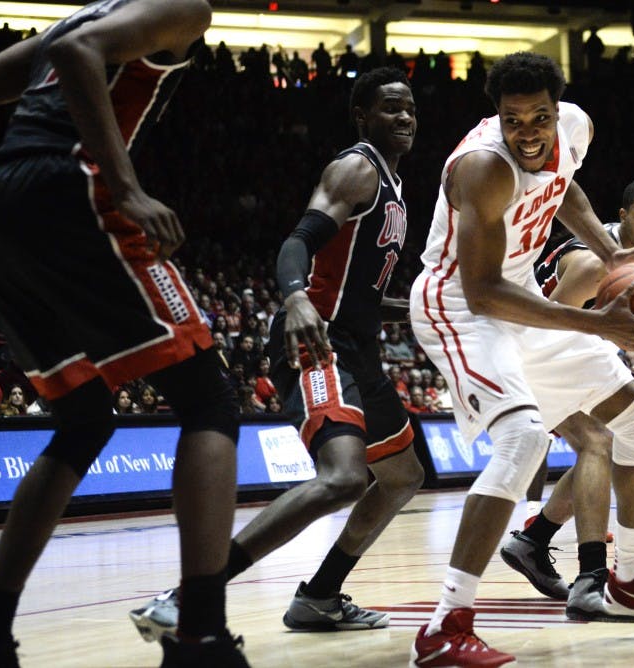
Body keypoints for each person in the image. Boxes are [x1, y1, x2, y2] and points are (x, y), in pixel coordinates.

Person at [0, 1, 248, 665]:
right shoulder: (183, 7)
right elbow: (81, 59)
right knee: (208, 400)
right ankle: (201, 633)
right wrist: (125, 188)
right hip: (71, 190)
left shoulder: (78, 17)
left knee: (82, 420)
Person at [407, 53, 634, 666]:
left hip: (520, 302)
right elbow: (483, 291)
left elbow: (563, 184)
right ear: (497, 117)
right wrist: (600, 324)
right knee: (524, 442)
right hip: (462, 308)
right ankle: (446, 624)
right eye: (513, 119)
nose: (528, 132)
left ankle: (630, 574)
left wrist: (617, 256)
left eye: (538, 117)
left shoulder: (573, 128)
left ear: (557, 110)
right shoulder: (482, 170)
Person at [130, 66, 423, 642]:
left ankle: (319, 596)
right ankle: (190, 595)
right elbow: (297, 242)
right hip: (319, 342)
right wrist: (294, 299)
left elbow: (361, 297)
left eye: (411, 107)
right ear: (363, 116)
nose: (406, 116)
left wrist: (433, 311)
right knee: (342, 478)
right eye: (391, 107)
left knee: (401, 476)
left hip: (355, 346)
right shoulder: (356, 168)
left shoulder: (395, 186)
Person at [504, 178, 634, 592]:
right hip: (525, 350)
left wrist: (616, 343)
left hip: (547, 347)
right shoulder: (593, 263)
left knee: (606, 442)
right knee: (602, 440)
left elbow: (582, 322)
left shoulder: (628, 252)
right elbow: (547, 323)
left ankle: (536, 541)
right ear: (622, 217)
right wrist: (616, 339)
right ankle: (594, 576)